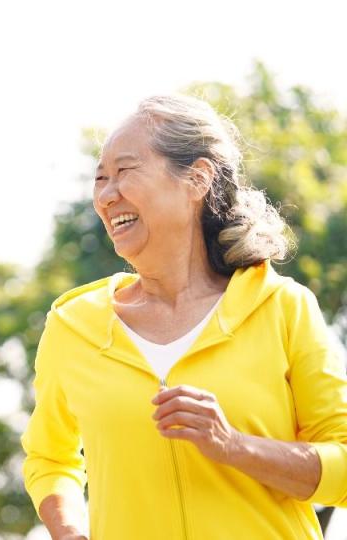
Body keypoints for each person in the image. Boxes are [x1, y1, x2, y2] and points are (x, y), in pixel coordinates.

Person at [21, 94, 347, 539]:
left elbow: (343, 469)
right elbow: (50, 459)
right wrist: (68, 529)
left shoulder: (282, 308)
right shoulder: (74, 326)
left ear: (196, 178)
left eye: (125, 172)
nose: (106, 194)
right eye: (100, 178)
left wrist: (234, 445)